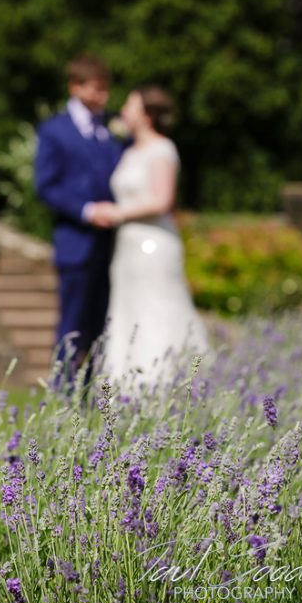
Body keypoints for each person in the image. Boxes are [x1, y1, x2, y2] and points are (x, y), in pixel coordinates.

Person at [91, 85, 209, 389]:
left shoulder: (161, 149)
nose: (123, 111)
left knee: (156, 311)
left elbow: (162, 200)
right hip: (127, 247)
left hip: (153, 245)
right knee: (128, 313)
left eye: (130, 106)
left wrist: (117, 213)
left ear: (147, 115)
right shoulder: (130, 151)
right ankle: (124, 390)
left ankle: (166, 386)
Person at [34, 54, 126, 389]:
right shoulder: (54, 130)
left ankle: (90, 395)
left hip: (114, 245)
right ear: (75, 87)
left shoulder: (113, 128)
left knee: (102, 326)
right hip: (76, 242)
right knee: (73, 325)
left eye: (105, 89)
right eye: (96, 88)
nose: (103, 96)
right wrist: (87, 210)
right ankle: (62, 393)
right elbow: (45, 186)